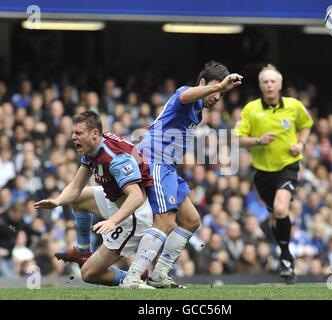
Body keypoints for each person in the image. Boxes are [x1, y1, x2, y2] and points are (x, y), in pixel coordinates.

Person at [120, 61, 243, 288]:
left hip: (168, 167)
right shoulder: (185, 93)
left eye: (222, 93)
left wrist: (220, 87)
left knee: (190, 220)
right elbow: (186, 96)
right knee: (165, 221)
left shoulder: (198, 112)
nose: (217, 96)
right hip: (154, 160)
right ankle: (133, 277)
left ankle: (159, 275)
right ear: (203, 83)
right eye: (216, 89)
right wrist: (218, 86)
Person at [34, 111, 154, 288]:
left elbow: (135, 196)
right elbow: (75, 187)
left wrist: (113, 221)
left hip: (132, 216)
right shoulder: (92, 149)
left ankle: (130, 278)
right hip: (114, 201)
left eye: (78, 133)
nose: (74, 137)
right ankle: (83, 250)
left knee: (88, 274)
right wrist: (58, 201)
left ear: (94, 134)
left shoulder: (115, 158)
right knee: (79, 198)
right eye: (73, 133)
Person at [234, 64, 313, 284]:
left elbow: (306, 125)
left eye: (272, 81)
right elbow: (239, 139)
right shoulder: (251, 109)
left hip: (288, 166)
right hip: (262, 172)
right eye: (265, 82)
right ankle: (285, 255)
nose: (269, 85)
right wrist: (258, 140)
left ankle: (286, 258)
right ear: (260, 86)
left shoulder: (294, 106)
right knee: (275, 216)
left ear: (280, 85)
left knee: (280, 208)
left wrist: (301, 143)